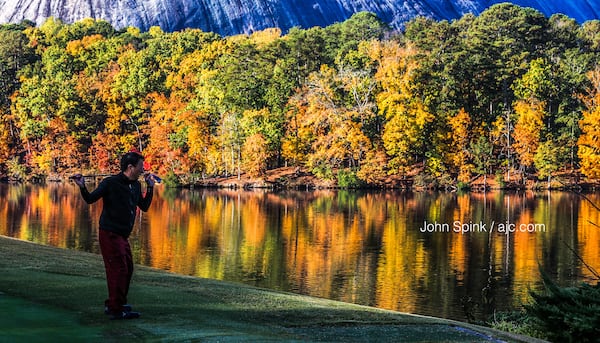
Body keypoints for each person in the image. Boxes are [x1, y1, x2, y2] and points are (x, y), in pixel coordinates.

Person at [71, 151, 156, 319]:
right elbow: (89, 199)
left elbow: (144, 206)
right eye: (140, 166)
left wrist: (150, 186)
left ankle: (117, 304)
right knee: (119, 269)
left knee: (128, 268)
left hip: (122, 235)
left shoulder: (136, 185)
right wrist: (81, 185)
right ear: (130, 167)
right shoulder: (110, 183)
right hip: (109, 232)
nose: (142, 170)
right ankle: (115, 308)